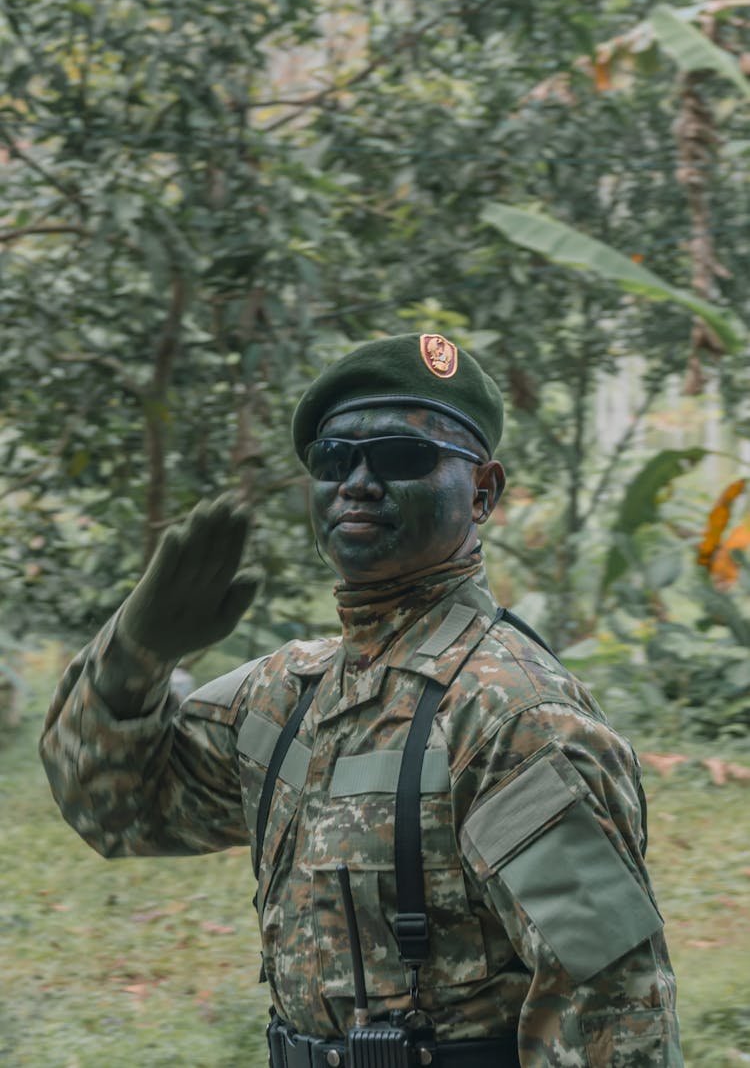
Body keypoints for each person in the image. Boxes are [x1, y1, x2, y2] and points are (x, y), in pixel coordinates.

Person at [40, 333, 683, 1067]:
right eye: (334, 459)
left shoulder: (509, 717)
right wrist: (136, 651)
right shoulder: (286, 697)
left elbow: (613, 1007)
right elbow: (113, 807)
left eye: (404, 458)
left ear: (483, 492)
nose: (359, 481)